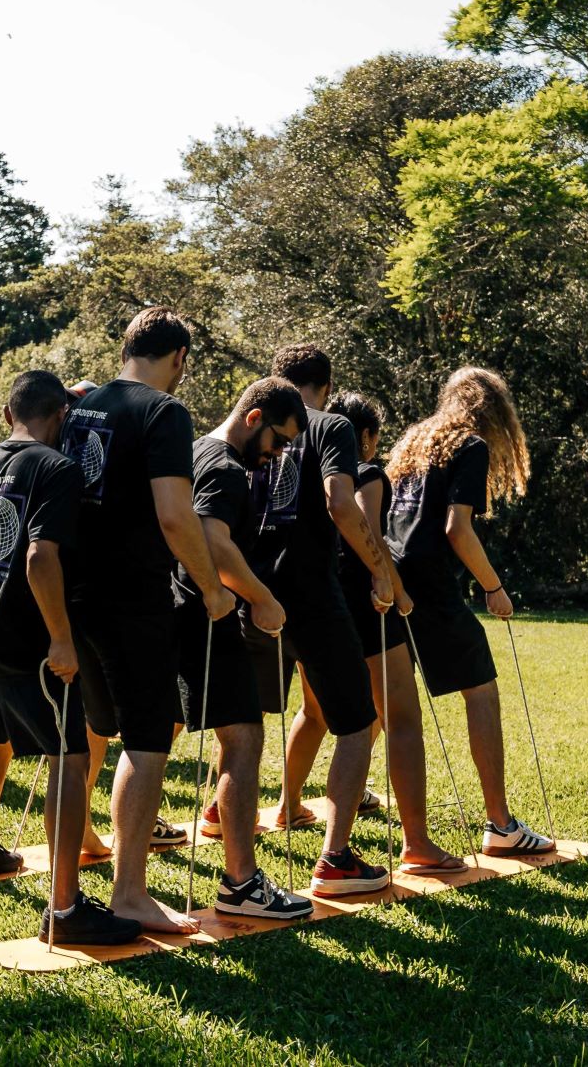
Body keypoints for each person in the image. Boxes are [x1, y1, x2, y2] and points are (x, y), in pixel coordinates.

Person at [0, 370, 140, 946]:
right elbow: (39, 559)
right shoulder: (59, 469)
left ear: (6, 415)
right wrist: (60, 637)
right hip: (32, 640)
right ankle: (67, 906)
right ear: (62, 417)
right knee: (68, 759)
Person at [61, 306, 231, 934]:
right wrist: (211, 588)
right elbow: (174, 515)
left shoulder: (78, 406)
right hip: (131, 597)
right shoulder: (165, 412)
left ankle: (70, 889)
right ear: (179, 358)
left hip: (72, 594)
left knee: (84, 738)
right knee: (148, 739)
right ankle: (129, 891)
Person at [383, 366, 556, 867]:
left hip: (390, 577)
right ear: (493, 412)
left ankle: (324, 827)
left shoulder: (416, 439)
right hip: (429, 583)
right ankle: (500, 825)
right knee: (480, 688)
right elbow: (458, 529)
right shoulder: (469, 446)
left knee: (383, 711)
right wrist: (494, 587)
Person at [250, 344, 398, 896]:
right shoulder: (331, 426)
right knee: (357, 722)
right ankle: (335, 859)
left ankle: (222, 814)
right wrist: (380, 570)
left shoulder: (256, 422)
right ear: (327, 388)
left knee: (247, 723)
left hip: (256, 588)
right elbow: (342, 502)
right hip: (311, 589)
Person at [176, 377, 314, 919]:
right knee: (244, 740)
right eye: (279, 441)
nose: (279, 454)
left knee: (160, 739)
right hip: (203, 614)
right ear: (254, 418)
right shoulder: (228, 467)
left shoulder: (194, 452)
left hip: (179, 611)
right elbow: (213, 539)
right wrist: (261, 598)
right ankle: (240, 884)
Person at [277, 391, 394, 815]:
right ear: (364, 436)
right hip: (348, 602)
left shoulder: (297, 454)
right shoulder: (367, 472)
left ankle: (287, 802)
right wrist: (392, 584)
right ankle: (344, 817)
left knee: (313, 712)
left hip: (300, 596)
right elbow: (367, 529)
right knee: (367, 716)